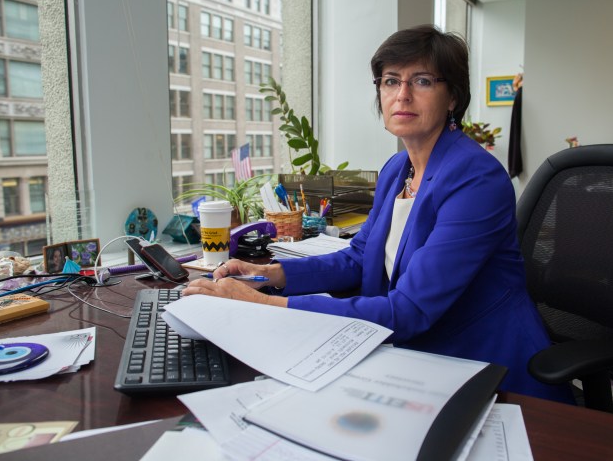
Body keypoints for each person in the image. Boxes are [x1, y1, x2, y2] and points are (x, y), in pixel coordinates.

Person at [184, 25, 574, 403]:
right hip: (414, 358)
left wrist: (265, 306)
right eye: (390, 81)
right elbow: (358, 258)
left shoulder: (475, 178)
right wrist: (272, 275)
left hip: (485, 371)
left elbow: (411, 309)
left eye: (422, 81)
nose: (402, 95)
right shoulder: (396, 169)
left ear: (453, 98)